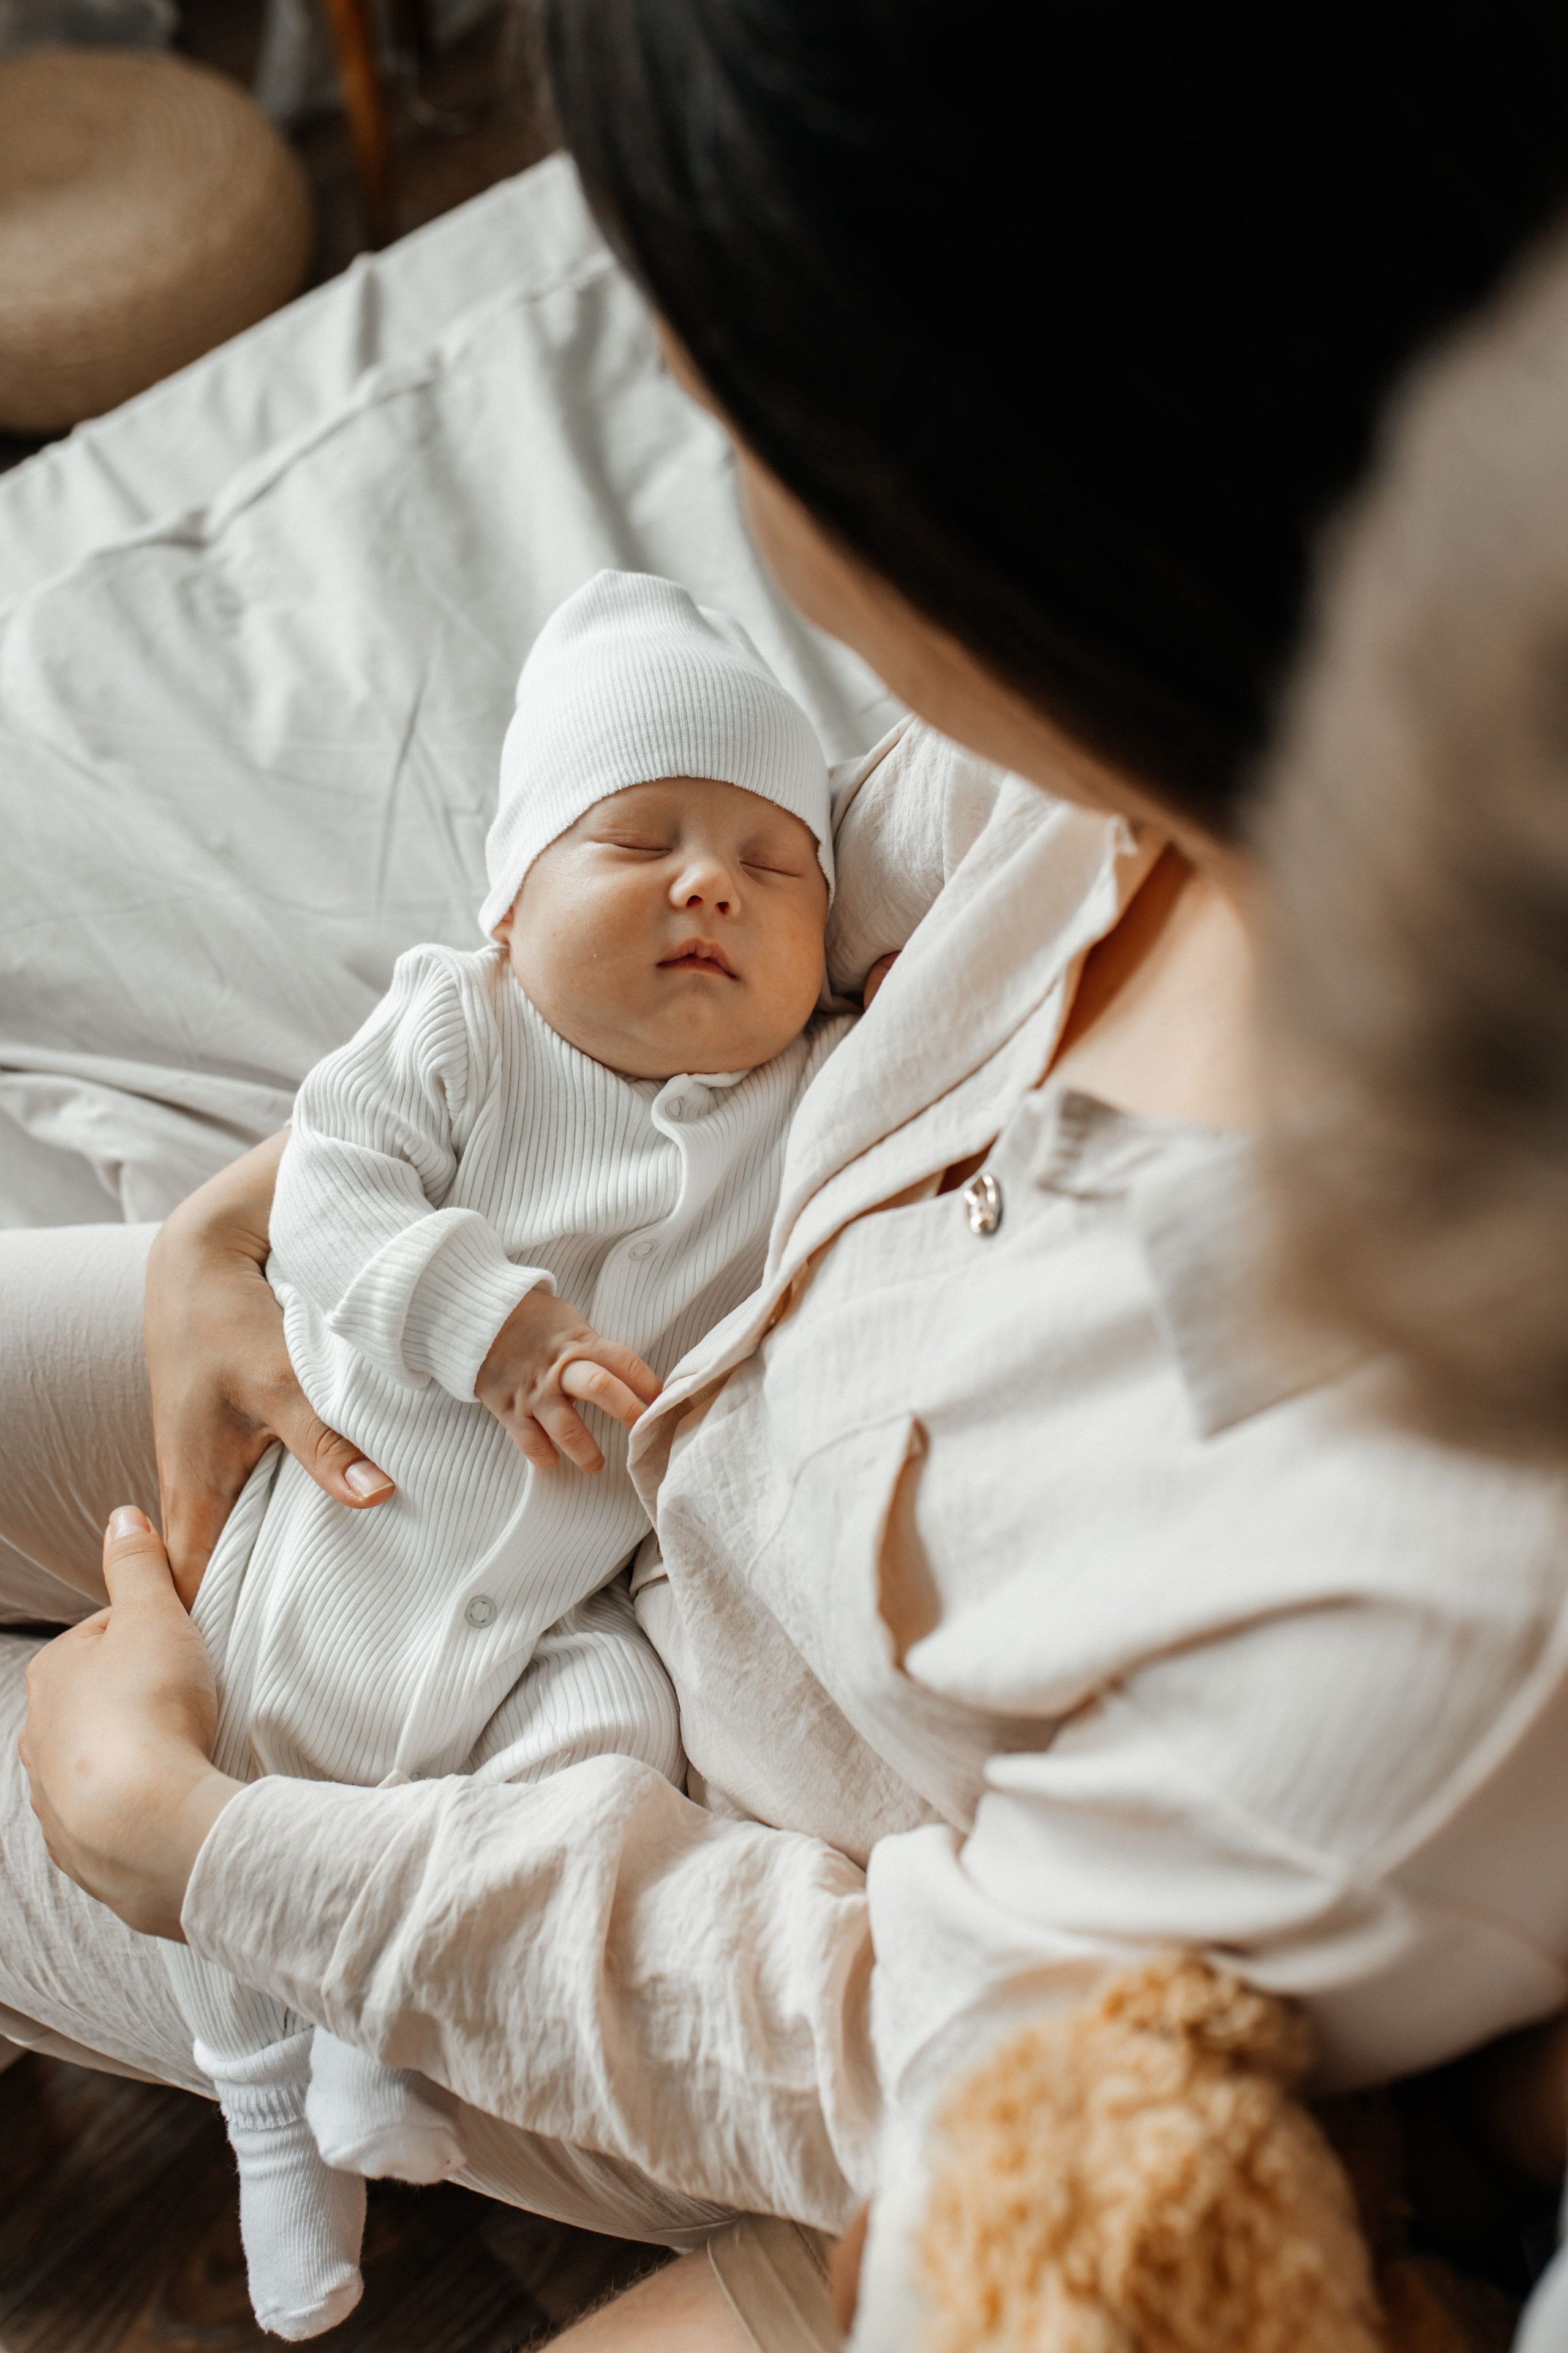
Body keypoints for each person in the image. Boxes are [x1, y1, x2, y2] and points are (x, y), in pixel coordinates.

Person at [13, 9, 1568, 2349]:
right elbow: (721, 885)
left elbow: (892, 2043)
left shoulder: (1427, 1578)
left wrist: (207, 1851)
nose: (663, 385)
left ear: (1005, 478)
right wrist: (323, 1176)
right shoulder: (1153, 730)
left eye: (722, 384)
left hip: (603, 1806)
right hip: (494, 1397)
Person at [161, 567, 863, 2340]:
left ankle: (376, 2026)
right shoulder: (464, 1025)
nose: (711, 883)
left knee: (601, 1748)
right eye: (640, 840)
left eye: (775, 865)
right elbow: (326, 1187)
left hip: (565, 1597)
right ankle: (271, 2125)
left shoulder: (808, 1098)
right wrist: (497, 1322)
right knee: (244, 1747)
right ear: (507, 900)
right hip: (354, 1516)